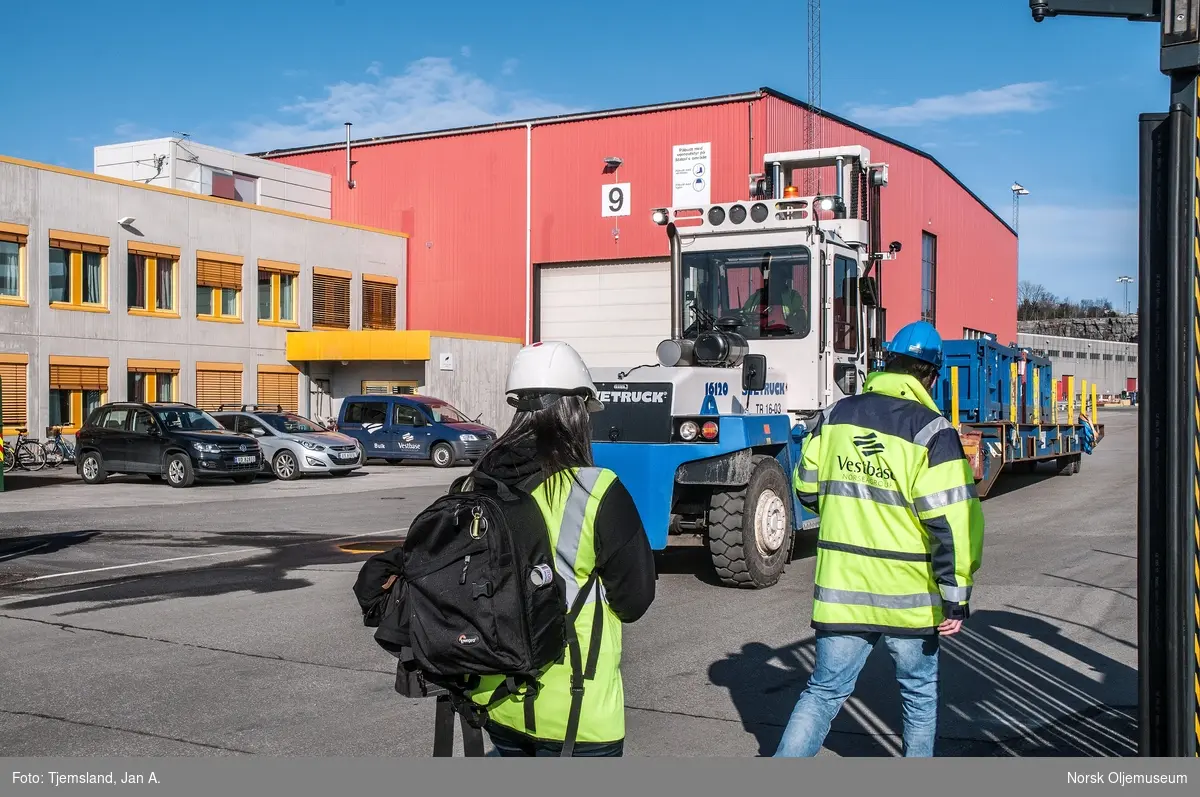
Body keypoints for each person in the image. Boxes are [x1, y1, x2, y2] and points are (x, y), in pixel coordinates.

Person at [775, 320, 984, 758]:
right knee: (919, 696)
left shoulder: (835, 416)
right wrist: (956, 595)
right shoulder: (932, 432)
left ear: (886, 362)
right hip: (909, 596)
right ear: (931, 374)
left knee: (823, 692)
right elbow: (952, 523)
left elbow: (807, 488)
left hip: (842, 592)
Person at [465, 340, 656, 757]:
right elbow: (635, 600)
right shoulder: (597, 490)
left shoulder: (479, 485)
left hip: (496, 704)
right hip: (577, 713)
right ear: (576, 412)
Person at [741, 260, 807, 334]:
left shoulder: (793, 296)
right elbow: (744, 315)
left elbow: (801, 320)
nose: (773, 280)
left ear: (783, 279)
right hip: (758, 338)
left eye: (777, 276)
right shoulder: (756, 296)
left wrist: (791, 327)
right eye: (770, 277)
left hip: (785, 339)